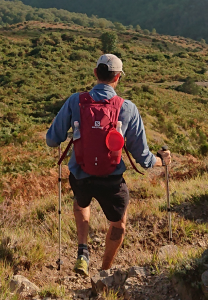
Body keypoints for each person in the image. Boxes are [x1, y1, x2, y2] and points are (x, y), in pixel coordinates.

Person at [46, 54, 171, 276]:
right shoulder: (128, 108)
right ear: (118, 77)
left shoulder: (75, 101)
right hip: (111, 181)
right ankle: (104, 271)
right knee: (118, 225)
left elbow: (52, 140)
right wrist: (162, 160)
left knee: (81, 203)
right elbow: (144, 158)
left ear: (96, 73)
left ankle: (82, 252)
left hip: (81, 175)